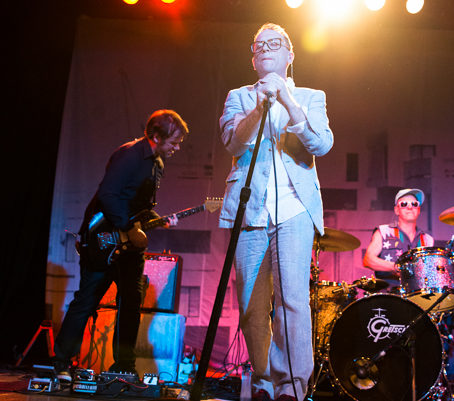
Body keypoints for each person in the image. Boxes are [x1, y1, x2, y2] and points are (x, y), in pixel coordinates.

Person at [219, 23, 334, 401]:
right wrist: (260, 106)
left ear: (289, 55)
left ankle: (292, 387)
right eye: (259, 45)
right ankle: (264, 381)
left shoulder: (310, 96)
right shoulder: (238, 96)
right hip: (250, 210)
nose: (266, 48)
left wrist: (286, 98)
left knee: (292, 302)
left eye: (275, 42)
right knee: (251, 305)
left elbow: (321, 144)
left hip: (294, 210)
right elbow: (233, 142)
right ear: (253, 58)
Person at [52, 109, 189, 379]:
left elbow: (138, 205)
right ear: (156, 136)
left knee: (131, 305)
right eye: (174, 141)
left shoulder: (157, 164)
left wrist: (156, 220)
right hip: (103, 241)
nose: (177, 147)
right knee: (86, 300)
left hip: (129, 248)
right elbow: (108, 195)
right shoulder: (129, 155)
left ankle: (124, 367)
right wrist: (127, 227)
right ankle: (61, 363)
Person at [363, 188, 434, 290]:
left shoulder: (427, 239)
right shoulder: (383, 231)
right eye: (404, 204)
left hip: (417, 294)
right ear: (396, 210)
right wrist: (397, 267)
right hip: (387, 293)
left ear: (418, 210)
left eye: (414, 204)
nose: (409, 207)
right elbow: (368, 260)